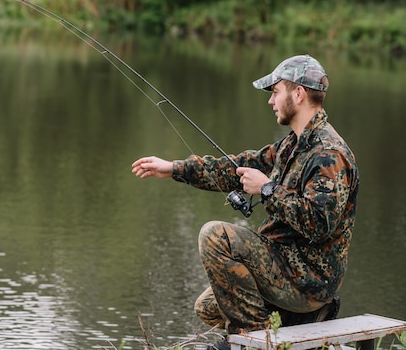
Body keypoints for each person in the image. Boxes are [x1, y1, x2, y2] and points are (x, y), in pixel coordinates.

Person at [131, 55, 359, 343]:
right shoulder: (293, 144)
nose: (271, 101)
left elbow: (318, 224)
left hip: (309, 280)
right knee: (209, 307)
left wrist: (267, 189)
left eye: (275, 92)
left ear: (298, 94)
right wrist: (174, 168)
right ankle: (293, 324)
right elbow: (237, 166)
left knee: (216, 236)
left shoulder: (329, 155)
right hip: (286, 266)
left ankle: (258, 342)